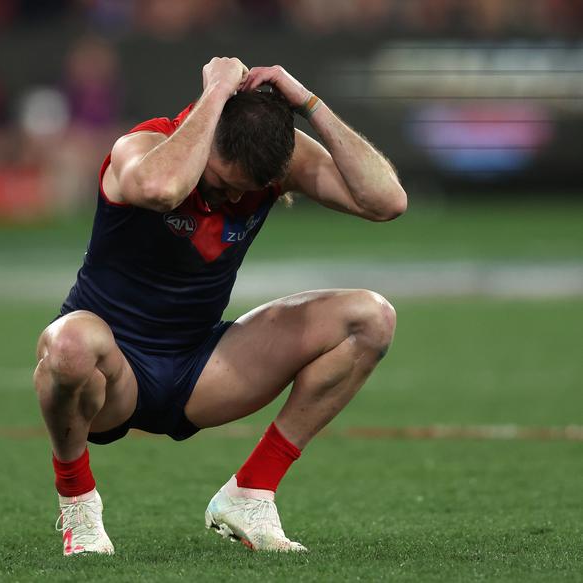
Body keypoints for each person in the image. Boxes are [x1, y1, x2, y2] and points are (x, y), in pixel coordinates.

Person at [35, 57, 407, 555]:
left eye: (243, 190)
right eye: (220, 181)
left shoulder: (271, 160)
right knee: (70, 344)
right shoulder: (143, 147)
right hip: (111, 372)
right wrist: (216, 94)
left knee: (371, 318)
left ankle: (250, 493)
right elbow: (162, 190)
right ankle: (78, 506)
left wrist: (307, 102)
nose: (229, 196)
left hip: (201, 370)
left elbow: (386, 201)